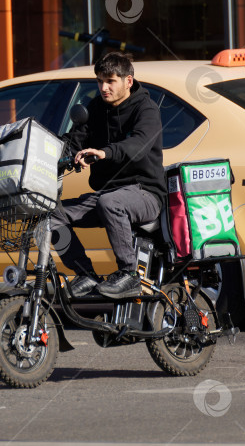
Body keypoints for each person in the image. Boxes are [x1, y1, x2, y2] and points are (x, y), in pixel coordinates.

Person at [51, 52, 166, 299]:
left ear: (128, 81)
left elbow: (138, 145)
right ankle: (86, 273)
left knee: (109, 202)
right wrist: (54, 153)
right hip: (108, 195)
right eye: (100, 81)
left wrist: (104, 153)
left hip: (145, 194)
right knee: (51, 215)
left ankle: (130, 274)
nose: (104, 88)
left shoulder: (146, 110)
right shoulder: (95, 108)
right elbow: (74, 140)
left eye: (111, 81)